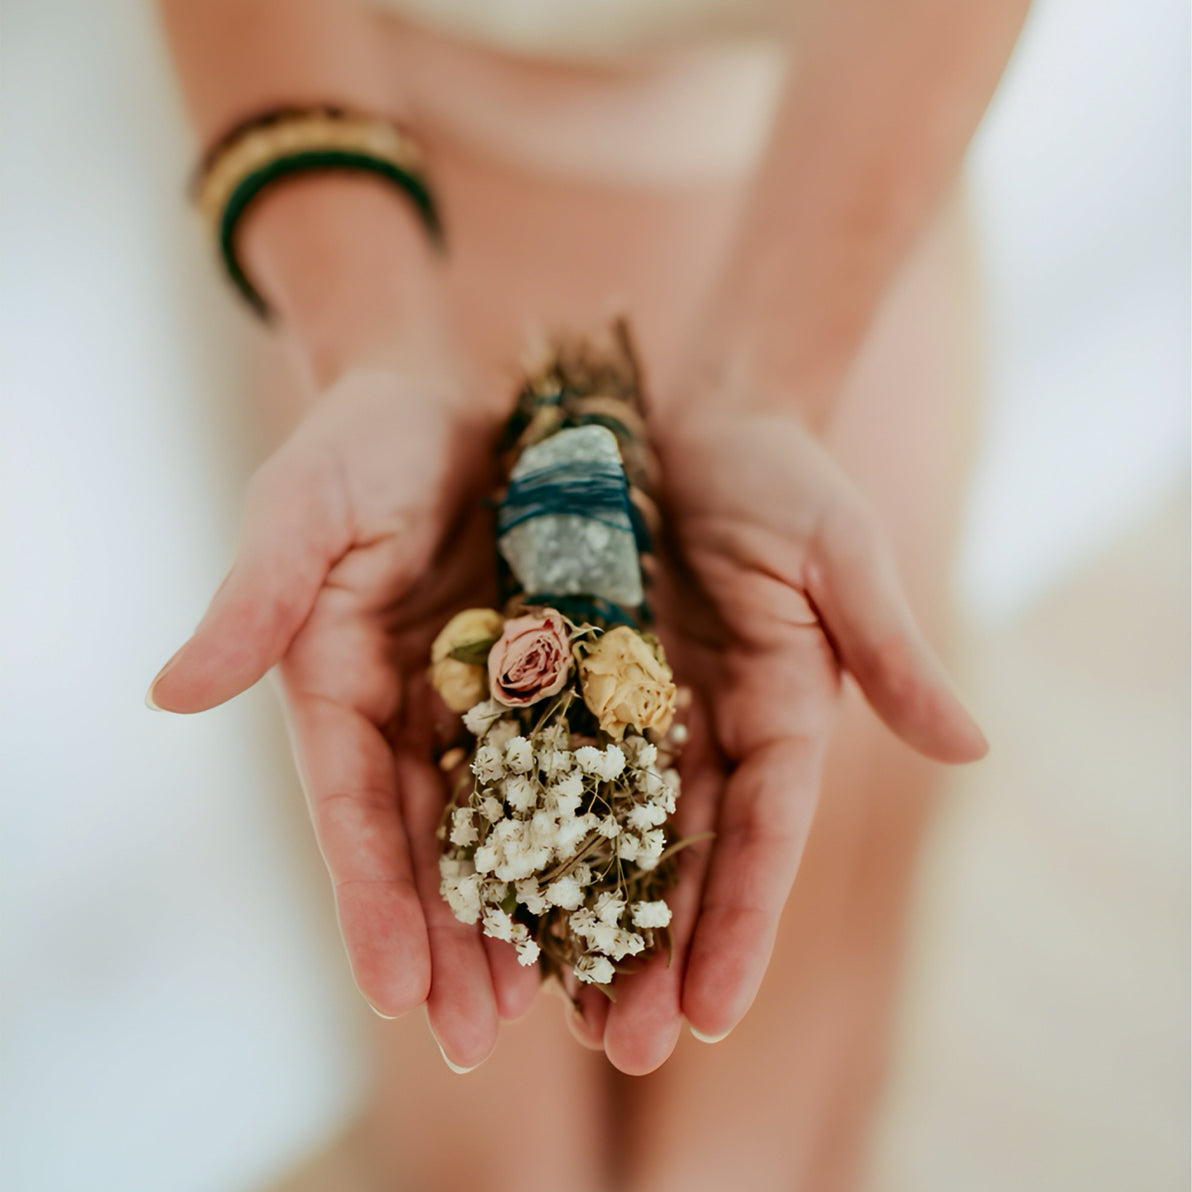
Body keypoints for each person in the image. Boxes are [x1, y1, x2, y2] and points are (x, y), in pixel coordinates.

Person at [149, 1, 1027, 1187]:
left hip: (826, 224)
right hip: (375, 217)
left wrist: (769, 387)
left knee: (767, 1099)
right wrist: (372, 341)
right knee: (482, 1131)